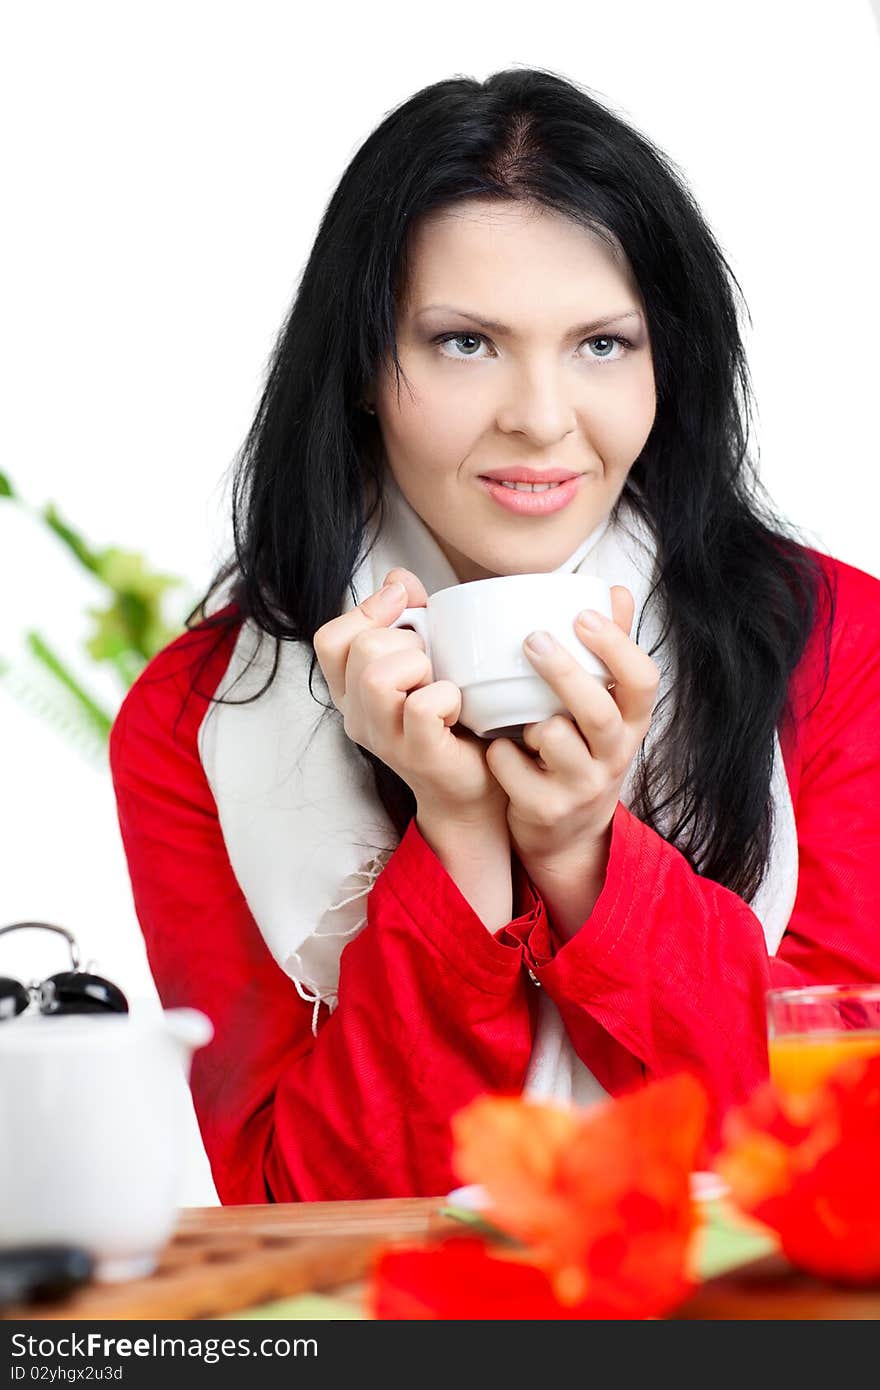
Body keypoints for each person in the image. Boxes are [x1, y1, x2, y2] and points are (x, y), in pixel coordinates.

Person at [109, 67, 880, 1206]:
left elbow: (836, 1149)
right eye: (466, 342)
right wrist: (460, 836)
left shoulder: (837, 644)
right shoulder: (196, 716)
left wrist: (579, 852)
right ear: (364, 364)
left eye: (603, 344)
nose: (541, 415)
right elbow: (299, 1208)